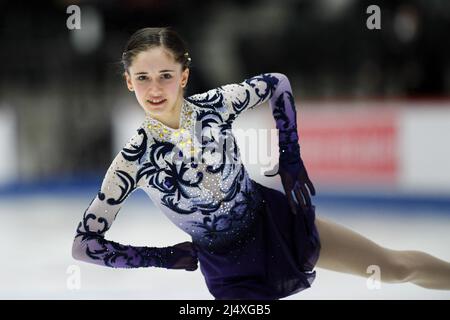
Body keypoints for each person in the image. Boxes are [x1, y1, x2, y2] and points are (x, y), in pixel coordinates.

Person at [72, 27, 450, 300]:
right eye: (143, 78)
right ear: (128, 82)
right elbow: (84, 246)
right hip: (231, 271)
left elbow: (277, 83)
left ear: (184, 76)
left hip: (276, 222)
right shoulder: (131, 162)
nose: (154, 89)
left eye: (165, 76)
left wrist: (290, 155)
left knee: (395, 268)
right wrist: (164, 257)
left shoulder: (216, 105)